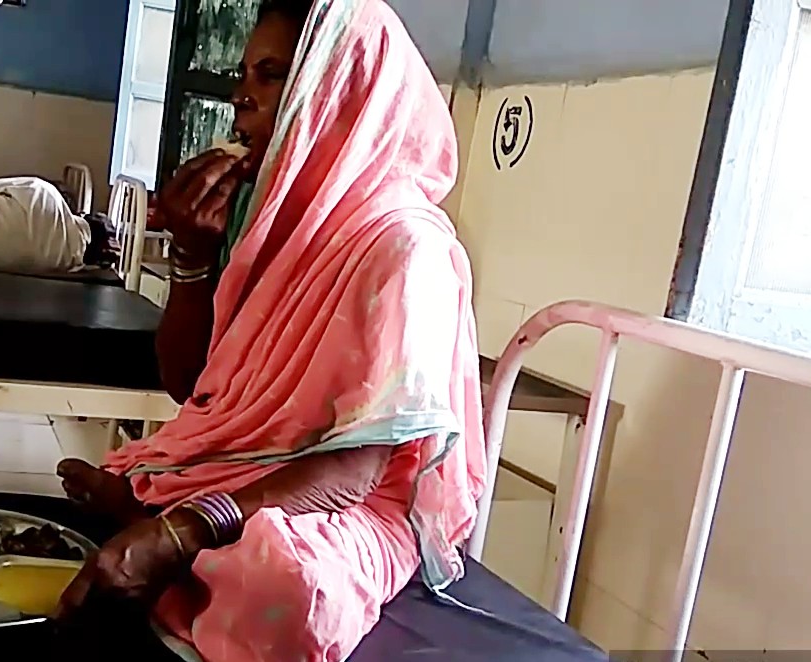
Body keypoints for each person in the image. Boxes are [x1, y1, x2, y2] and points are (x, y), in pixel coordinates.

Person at [52, 0, 487, 660]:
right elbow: (185, 383)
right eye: (244, 73)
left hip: (346, 501)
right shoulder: (277, 228)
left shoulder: (406, 248)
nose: (239, 98)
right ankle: (178, 531)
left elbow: (356, 469)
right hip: (255, 474)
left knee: (288, 580)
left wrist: (183, 530)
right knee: (190, 505)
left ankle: (175, 536)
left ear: (337, 87)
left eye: (269, 74)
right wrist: (193, 258)